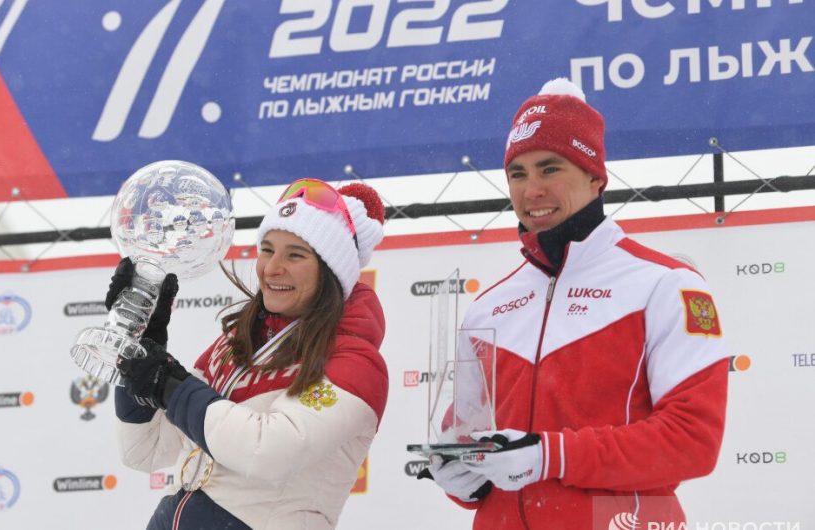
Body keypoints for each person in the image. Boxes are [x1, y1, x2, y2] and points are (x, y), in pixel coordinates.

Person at [420, 78, 729, 529]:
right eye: (517, 174)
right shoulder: (488, 306)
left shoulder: (665, 284)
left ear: (594, 175)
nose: (532, 190)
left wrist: (550, 456)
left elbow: (693, 441)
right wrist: (462, 479)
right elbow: (470, 437)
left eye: (550, 169)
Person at [109, 178, 388, 530]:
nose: (272, 268)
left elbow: (267, 450)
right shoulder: (236, 344)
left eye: (295, 255)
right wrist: (140, 347)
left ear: (332, 270)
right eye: (267, 249)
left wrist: (168, 382)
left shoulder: (355, 363)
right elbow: (145, 449)